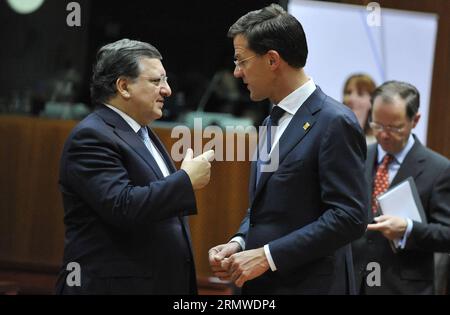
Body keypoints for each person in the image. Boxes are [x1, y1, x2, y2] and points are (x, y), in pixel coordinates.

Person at [208, 4, 368, 295]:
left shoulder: (335, 122)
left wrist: (267, 256)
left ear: (272, 60)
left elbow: (349, 217)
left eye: (241, 61)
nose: (236, 72)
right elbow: (267, 207)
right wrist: (240, 242)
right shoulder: (271, 120)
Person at [55, 39, 214, 294]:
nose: (168, 90)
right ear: (124, 86)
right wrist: (185, 180)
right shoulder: (91, 136)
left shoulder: (144, 133)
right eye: (156, 81)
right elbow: (123, 206)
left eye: (166, 80)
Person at [352, 80, 450, 294]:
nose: (384, 134)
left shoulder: (439, 169)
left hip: (402, 286)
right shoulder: (359, 156)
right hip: (355, 281)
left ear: (415, 120)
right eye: (377, 124)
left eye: (394, 127)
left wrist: (409, 228)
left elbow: (447, 234)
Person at [343, 73, 377, 145]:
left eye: (360, 94)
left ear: (372, 101)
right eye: (348, 93)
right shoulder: (331, 135)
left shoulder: (378, 141)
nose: (351, 99)